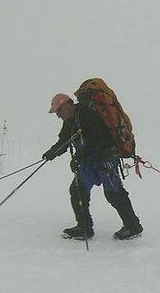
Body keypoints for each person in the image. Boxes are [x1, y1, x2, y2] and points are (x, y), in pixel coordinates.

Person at [42, 93, 143, 240]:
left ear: (68, 105)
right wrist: (52, 153)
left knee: (113, 193)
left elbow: (99, 141)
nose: (58, 115)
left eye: (59, 111)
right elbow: (64, 141)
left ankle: (133, 226)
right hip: (88, 162)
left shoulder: (87, 114)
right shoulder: (70, 122)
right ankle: (84, 228)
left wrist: (78, 157)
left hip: (106, 159)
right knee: (77, 190)